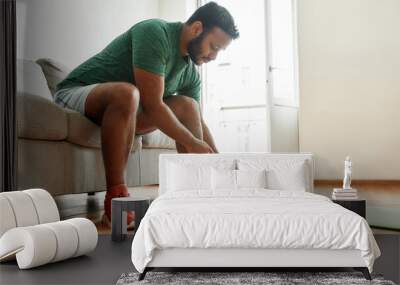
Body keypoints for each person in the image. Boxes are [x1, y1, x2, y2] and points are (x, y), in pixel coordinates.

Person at [54, 2, 239, 226]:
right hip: (78, 92)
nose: (214, 57)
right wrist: (191, 142)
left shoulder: (190, 72)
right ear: (197, 28)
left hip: (128, 110)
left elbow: (197, 120)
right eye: (214, 47)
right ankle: (116, 197)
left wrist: (222, 166)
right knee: (127, 93)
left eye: (220, 50)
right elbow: (152, 105)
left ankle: (195, 195)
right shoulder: (155, 33)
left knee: (189, 106)